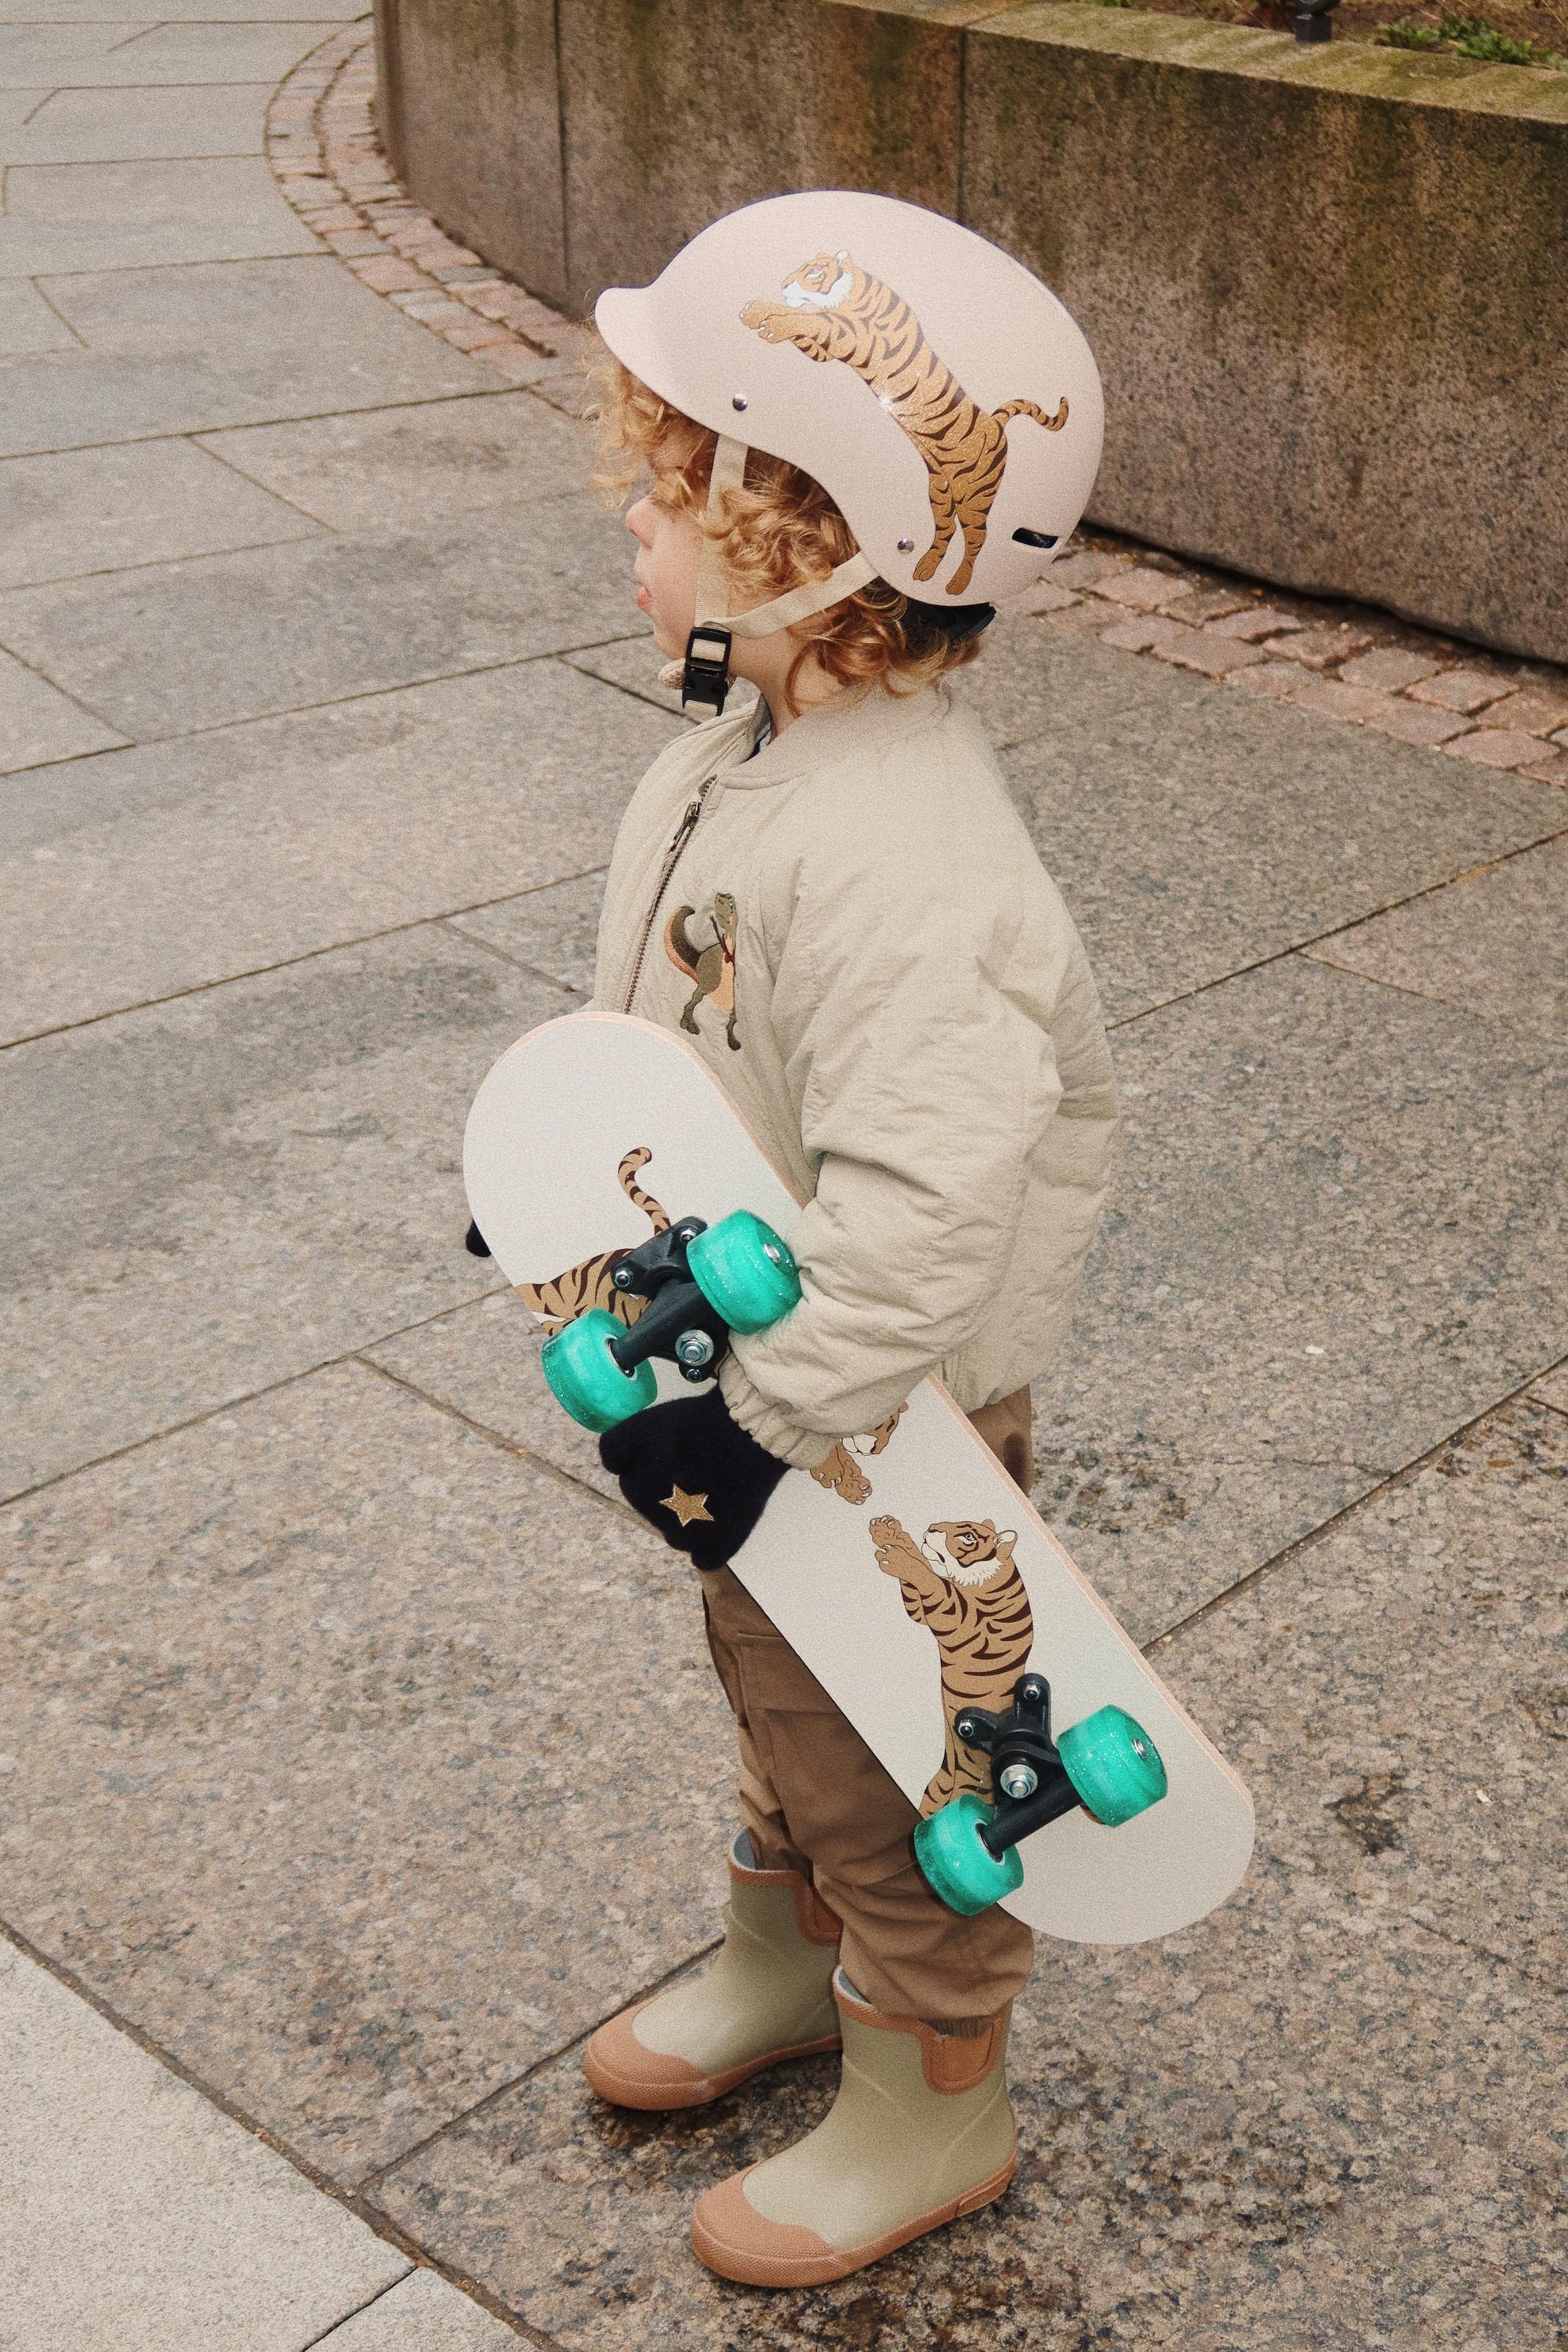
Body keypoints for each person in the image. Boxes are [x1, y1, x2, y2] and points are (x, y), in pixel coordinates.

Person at [578, 191, 1118, 2288]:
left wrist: (782, 1421)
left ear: (814, 547)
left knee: (911, 1736)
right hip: (792, 1383)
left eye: (671, 488)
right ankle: (783, 1954)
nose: (634, 523)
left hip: (876, 1413)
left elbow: (924, 1192)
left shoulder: (903, 860)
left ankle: (932, 2082)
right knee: (780, 1689)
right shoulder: (772, 742)